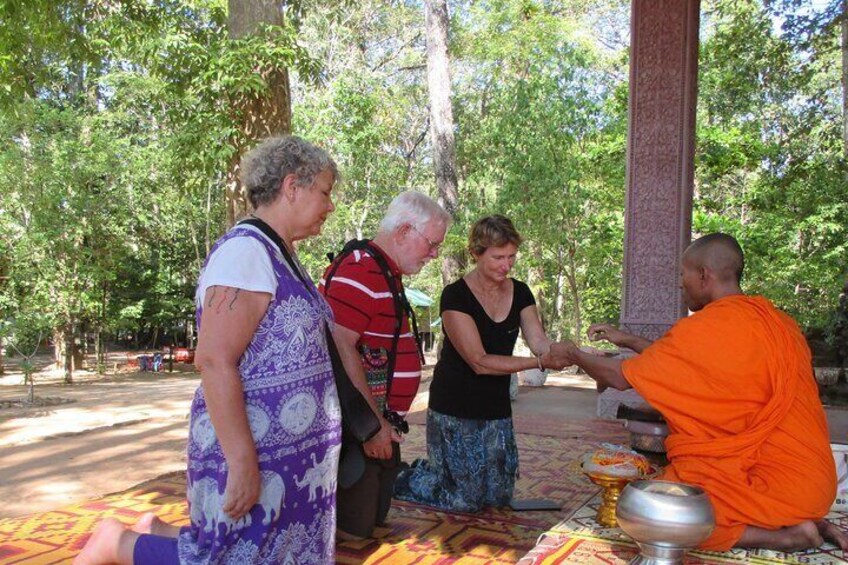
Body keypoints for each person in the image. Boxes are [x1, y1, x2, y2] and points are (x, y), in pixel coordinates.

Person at [75, 135, 342, 564]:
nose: (330, 206)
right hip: (253, 448)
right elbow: (215, 360)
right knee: (230, 557)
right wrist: (242, 461)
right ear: (293, 186)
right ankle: (118, 545)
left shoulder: (280, 253)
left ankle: (154, 532)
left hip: (289, 454)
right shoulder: (245, 254)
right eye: (325, 192)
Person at [552, 232, 848, 552]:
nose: (681, 284)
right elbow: (684, 362)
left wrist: (573, 355)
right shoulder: (781, 325)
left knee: (643, 512)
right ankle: (805, 519)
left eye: (684, 274)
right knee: (687, 488)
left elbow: (620, 378)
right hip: (811, 486)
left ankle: (785, 536)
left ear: (704, 275)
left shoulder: (705, 328)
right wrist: (627, 340)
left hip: (764, 483)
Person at [393, 215, 564, 512]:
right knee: (465, 501)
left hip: (496, 409)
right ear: (476, 253)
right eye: (498, 257)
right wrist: (538, 362)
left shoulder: (520, 291)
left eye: (511, 257)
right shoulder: (455, 296)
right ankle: (404, 476)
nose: (506, 265)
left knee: (497, 498)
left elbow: (540, 342)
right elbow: (479, 362)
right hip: (455, 406)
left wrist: (570, 353)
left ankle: (443, 472)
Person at [319, 191, 450, 539]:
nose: (434, 253)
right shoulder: (360, 269)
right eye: (432, 243)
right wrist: (371, 425)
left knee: (374, 521)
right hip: (360, 429)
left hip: (378, 425)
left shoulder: (382, 270)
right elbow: (339, 348)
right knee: (354, 534)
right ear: (405, 231)